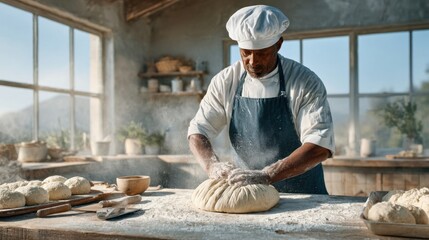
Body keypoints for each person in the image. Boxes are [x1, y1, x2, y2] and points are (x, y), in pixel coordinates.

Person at [187, 5, 335, 194]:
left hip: (304, 195)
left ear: (279, 44)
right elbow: (198, 131)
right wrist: (211, 166)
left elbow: (319, 145)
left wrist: (268, 175)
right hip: (248, 193)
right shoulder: (226, 81)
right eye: (245, 53)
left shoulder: (304, 81)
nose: (253, 61)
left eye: (262, 53)